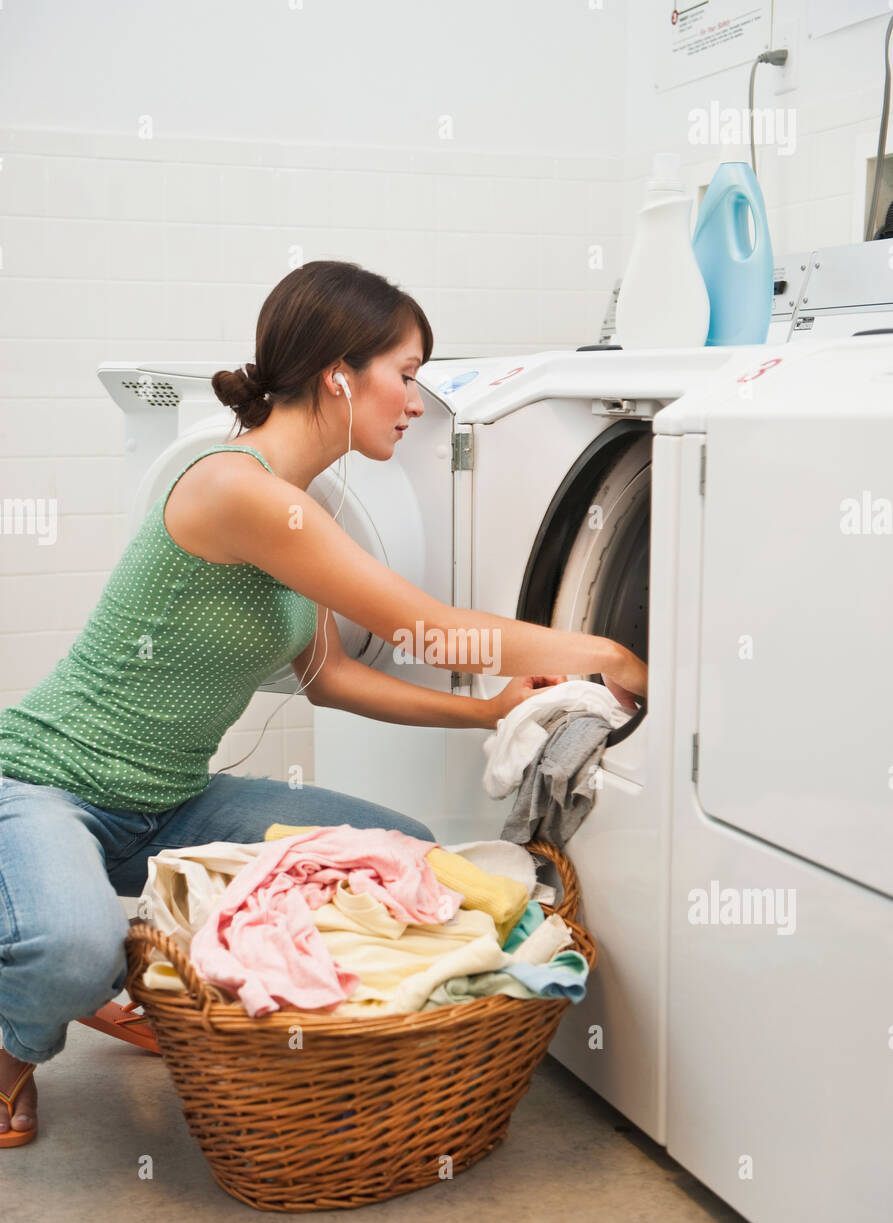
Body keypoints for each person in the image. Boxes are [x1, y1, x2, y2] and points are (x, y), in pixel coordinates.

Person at [0, 259, 647, 1145]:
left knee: (401, 853)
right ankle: (21, 1038)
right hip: (41, 787)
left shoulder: (298, 510)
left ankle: (112, 986)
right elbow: (422, 627)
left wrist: (488, 711)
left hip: (170, 800)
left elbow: (330, 678)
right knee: (70, 952)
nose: (416, 402)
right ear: (339, 374)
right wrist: (606, 651)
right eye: (406, 375)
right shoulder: (238, 490)